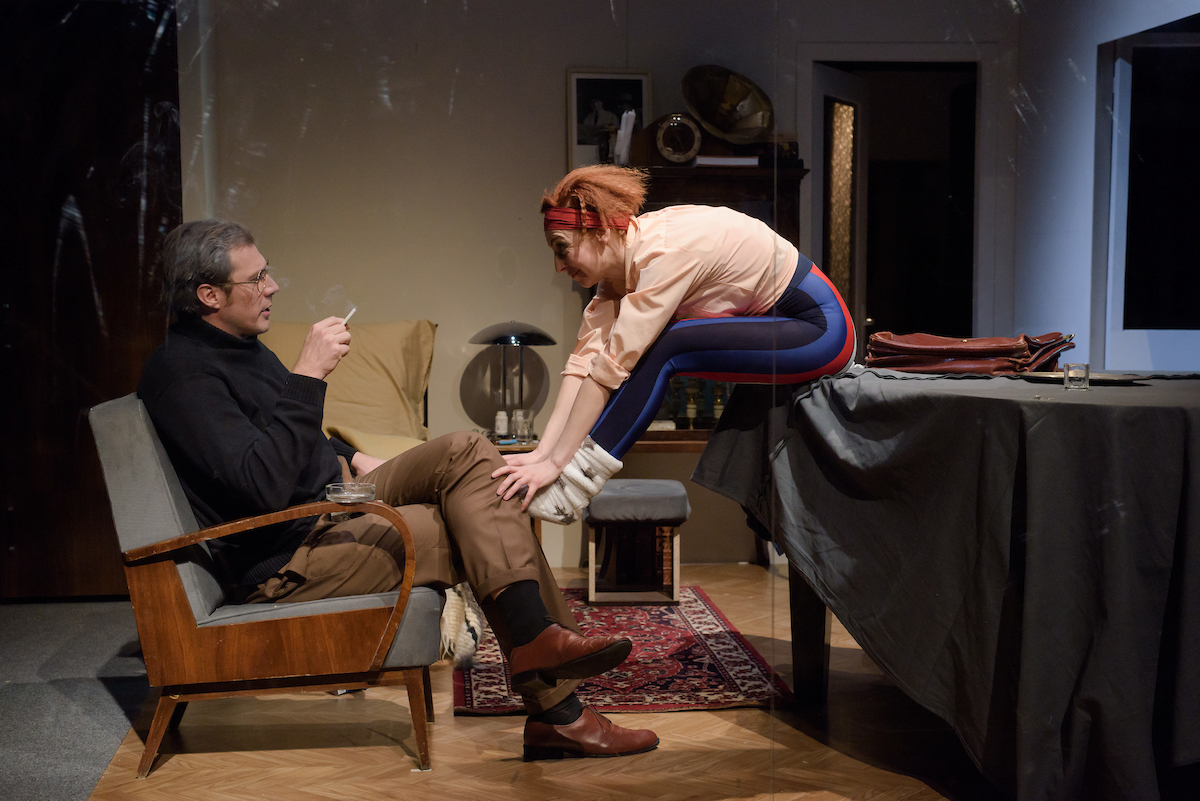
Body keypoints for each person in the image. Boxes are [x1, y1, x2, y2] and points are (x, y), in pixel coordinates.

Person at [137, 219, 658, 760]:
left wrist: (352, 456)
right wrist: (308, 375)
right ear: (209, 295)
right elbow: (260, 484)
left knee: (470, 451)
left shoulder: (239, 347)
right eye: (256, 279)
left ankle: (540, 652)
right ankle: (558, 705)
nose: (272, 286)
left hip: (330, 503)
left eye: (267, 272)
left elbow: (287, 438)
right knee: (480, 518)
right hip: (289, 556)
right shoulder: (185, 376)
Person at [493, 166, 855, 523]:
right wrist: (544, 454)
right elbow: (583, 366)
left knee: (667, 345)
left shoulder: (661, 254)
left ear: (599, 231)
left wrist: (558, 466)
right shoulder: (618, 276)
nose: (558, 266)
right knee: (654, 345)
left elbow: (609, 370)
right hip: (783, 322)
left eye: (561, 249)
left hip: (821, 330)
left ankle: (574, 487)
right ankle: (570, 477)